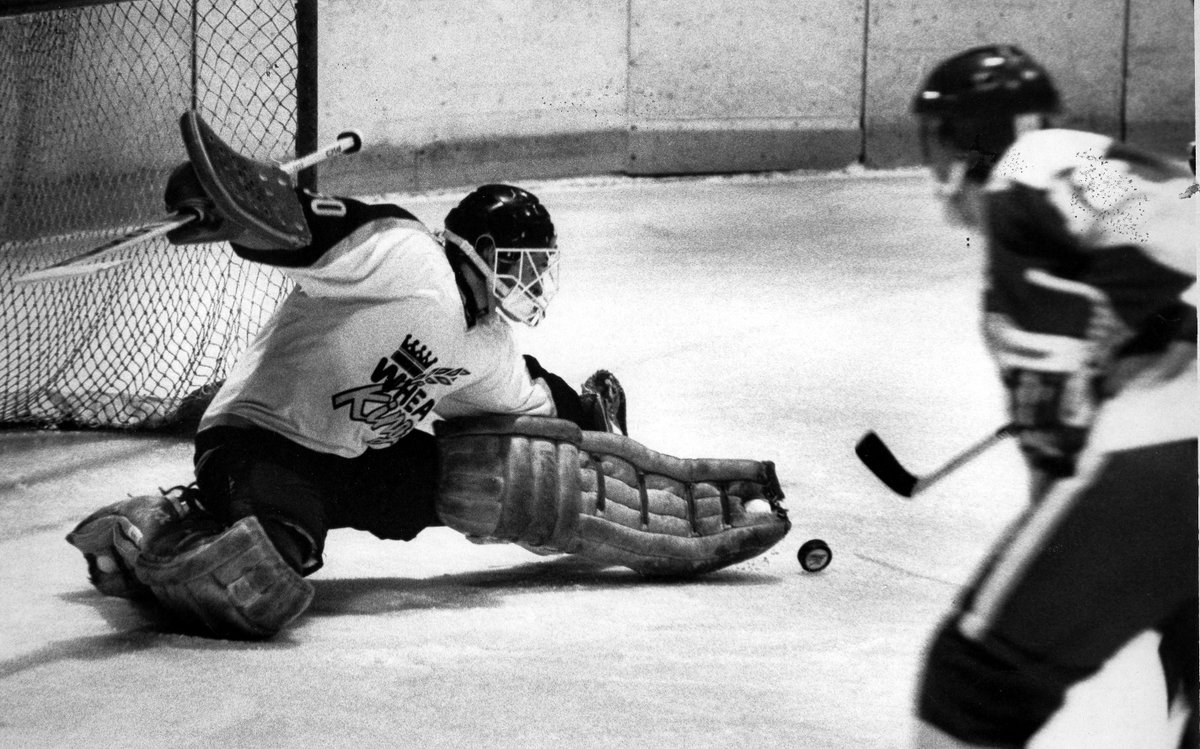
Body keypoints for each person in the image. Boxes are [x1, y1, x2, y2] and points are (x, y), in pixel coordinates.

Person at [67, 169, 625, 639]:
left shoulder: (487, 345)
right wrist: (236, 203)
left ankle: (227, 522)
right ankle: (157, 527)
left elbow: (530, 408)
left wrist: (597, 433)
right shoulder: (411, 259)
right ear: (482, 249)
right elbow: (312, 228)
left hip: (348, 460)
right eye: (525, 262)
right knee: (258, 579)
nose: (534, 279)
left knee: (487, 479)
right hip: (259, 439)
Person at [909, 45, 1197, 747]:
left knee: (974, 680)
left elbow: (1052, 405)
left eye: (940, 142)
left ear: (970, 138)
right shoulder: (1089, 163)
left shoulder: (1018, 179)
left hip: (1169, 441)